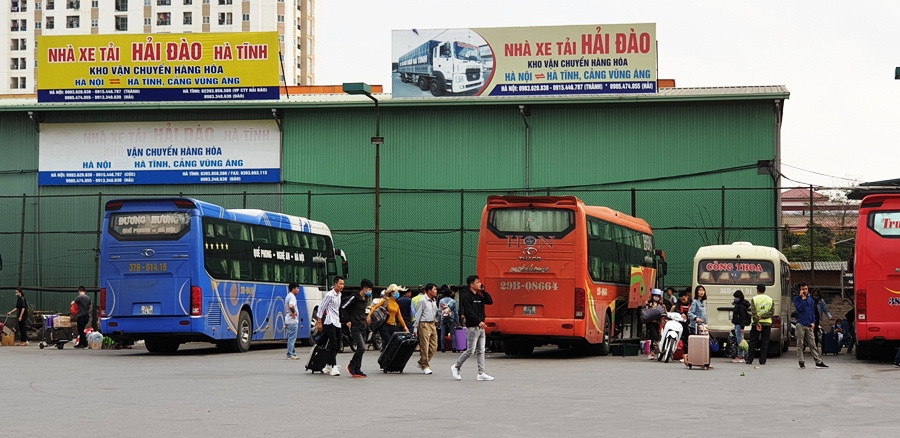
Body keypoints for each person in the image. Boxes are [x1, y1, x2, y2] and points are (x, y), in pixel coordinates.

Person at [451, 275, 494, 381]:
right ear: (471, 284)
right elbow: (469, 312)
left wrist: (483, 291)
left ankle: (481, 373)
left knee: (481, 351)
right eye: (478, 282)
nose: (480, 284)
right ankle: (456, 366)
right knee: (470, 350)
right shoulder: (466, 296)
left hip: (481, 327)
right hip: (472, 327)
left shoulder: (479, 296)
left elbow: (490, 301)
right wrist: (479, 322)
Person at [341, 279, 373, 377]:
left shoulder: (364, 299)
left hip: (362, 325)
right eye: (369, 289)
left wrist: (366, 317)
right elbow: (343, 307)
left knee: (361, 348)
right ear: (364, 289)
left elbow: (361, 311)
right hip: (355, 326)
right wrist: (347, 320)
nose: (370, 292)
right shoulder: (354, 297)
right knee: (362, 347)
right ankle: (351, 365)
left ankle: (357, 369)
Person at [793, 282, 828, 369]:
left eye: (806, 289)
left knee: (812, 344)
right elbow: (800, 309)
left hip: (809, 324)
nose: (804, 291)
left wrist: (813, 322)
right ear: (800, 290)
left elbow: (812, 312)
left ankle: (818, 361)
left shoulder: (810, 299)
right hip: (800, 324)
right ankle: (801, 361)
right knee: (800, 344)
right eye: (803, 289)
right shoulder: (797, 299)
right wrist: (802, 298)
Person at [315, 276, 345, 376]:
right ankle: (334, 366)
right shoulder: (329, 295)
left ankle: (328, 364)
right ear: (335, 284)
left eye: (343, 284)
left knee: (337, 344)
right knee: (333, 344)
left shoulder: (339, 295)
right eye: (340, 284)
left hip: (337, 321)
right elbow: (321, 307)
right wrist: (319, 322)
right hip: (329, 321)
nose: (342, 286)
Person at [367, 284, 409, 349]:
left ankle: (387, 355)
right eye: (396, 292)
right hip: (384, 324)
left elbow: (399, 317)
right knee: (388, 341)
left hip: (392, 326)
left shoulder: (396, 304)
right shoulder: (385, 300)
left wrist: (405, 327)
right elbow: (374, 307)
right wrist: (369, 316)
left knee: (392, 343)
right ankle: (386, 356)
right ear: (391, 293)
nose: (397, 293)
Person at [413, 283, 440, 374]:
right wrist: (415, 328)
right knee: (425, 346)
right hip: (424, 324)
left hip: (432, 323)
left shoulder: (434, 300)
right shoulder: (422, 300)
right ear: (429, 291)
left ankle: (421, 362)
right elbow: (418, 314)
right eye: (434, 289)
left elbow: (435, 312)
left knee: (434, 346)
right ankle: (425, 366)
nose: (436, 291)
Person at [746, 283, 774, 365]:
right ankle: (762, 360)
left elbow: (753, 312)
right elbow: (771, 312)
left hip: (756, 324)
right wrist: (764, 316)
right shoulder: (770, 299)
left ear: (757, 290)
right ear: (765, 290)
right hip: (767, 324)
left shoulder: (754, 299)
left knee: (753, 342)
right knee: (765, 342)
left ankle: (750, 360)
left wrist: (758, 321)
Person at [644, 289, 666, 360]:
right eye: (655, 296)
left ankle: (653, 352)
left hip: (657, 322)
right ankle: (654, 350)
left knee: (655, 337)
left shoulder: (661, 305)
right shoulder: (648, 303)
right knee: (654, 336)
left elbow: (664, 313)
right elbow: (646, 311)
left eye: (658, 296)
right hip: (650, 322)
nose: (656, 297)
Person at [730, 290, 752, 363]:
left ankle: (741, 355)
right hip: (738, 324)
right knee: (739, 340)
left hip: (739, 325)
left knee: (740, 340)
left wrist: (742, 327)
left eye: (736, 297)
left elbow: (742, 317)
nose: (735, 299)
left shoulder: (741, 306)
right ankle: (741, 355)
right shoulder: (739, 304)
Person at [438, 285, 459, 352]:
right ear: (450, 294)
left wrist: (439, 320)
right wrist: (457, 321)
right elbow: (455, 312)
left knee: (442, 333)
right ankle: (454, 347)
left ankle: (443, 347)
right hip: (451, 318)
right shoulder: (453, 301)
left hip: (443, 318)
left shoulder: (441, 301)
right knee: (453, 333)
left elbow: (439, 311)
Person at [673, 290, 692, 355]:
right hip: (682, 321)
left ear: (687, 296)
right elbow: (676, 309)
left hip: (690, 321)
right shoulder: (679, 302)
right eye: (681, 299)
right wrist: (681, 313)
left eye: (684, 299)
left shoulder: (691, 302)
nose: (683, 301)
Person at [284, 282, 300, 360]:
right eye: (297, 288)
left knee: (291, 337)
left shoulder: (288, 296)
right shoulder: (292, 297)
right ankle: (290, 354)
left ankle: (292, 353)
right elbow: (291, 306)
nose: (298, 290)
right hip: (292, 320)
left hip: (288, 320)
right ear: (293, 289)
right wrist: (294, 312)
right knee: (292, 338)